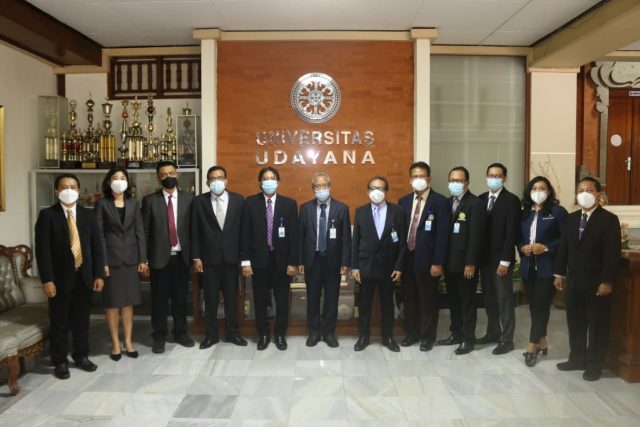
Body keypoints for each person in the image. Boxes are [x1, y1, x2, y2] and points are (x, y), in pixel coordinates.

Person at [35, 173, 105, 379]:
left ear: (78, 190)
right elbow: (42, 250)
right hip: (59, 280)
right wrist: (47, 279)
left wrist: (99, 274)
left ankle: (81, 356)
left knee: (82, 321)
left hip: (84, 277)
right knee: (59, 322)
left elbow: (97, 247)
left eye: (73, 187)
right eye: (64, 187)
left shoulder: (88, 215)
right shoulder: (48, 215)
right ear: (56, 190)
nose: (69, 190)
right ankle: (60, 361)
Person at [554, 177, 621, 381]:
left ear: (598, 194)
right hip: (574, 281)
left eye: (589, 190)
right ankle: (577, 359)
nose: (584, 193)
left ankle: (594, 365)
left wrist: (607, 281)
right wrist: (559, 273)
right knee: (575, 321)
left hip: (597, 282)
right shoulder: (572, 218)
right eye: (581, 190)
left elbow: (612, 254)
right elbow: (564, 247)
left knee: (597, 324)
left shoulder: (609, 220)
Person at [241, 166, 299, 351]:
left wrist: (293, 262)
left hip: (282, 262)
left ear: (278, 182)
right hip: (258, 261)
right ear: (260, 183)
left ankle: (280, 334)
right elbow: (245, 234)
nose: (269, 181)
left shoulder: (289, 204)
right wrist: (245, 261)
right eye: (265, 178)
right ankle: (263, 334)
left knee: (282, 301)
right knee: (260, 300)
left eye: (272, 178)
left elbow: (294, 236)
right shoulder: (250, 203)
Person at [191, 166, 247, 349]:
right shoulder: (199, 202)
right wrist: (196, 257)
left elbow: (244, 231)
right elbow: (194, 231)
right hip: (209, 260)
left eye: (220, 178)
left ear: (226, 180)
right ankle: (211, 335)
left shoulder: (238, 200)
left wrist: (244, 258)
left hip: (232, 259)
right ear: (207, 182)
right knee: (210, 298)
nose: (217, 181)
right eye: (213, 178)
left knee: (232, 298)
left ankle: (233, 333)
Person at [95, 167, 148, 361]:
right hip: (111, 260)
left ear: (127, 181)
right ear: (109, 182)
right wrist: (103, 262)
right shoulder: (102, 204)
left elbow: (140, 232)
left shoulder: (134, 203)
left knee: (127, 304)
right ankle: (116, 344)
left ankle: (128, 341)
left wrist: (142, 259)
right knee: (112, 304)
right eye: (115, 177)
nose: (119, 180)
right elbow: (99, 235)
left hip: (131, 260)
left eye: (122, 177)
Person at [141, 160, 194, 354]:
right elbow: (145, 232)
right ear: (158, 178)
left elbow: (194, 230)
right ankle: (159, 335)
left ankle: (181, 332)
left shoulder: (190, 199)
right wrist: (144, 259)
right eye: (163, 174)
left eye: (171, 173)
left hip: (182, 257)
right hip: (159, 258)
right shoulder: (149, 201)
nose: (168, 177)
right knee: (159, 300)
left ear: (177, 174)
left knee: (180, 298)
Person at [398, 162, 449, 351]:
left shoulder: (440, 201)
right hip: (408, 259)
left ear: (429, 179)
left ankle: (428, 336)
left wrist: (438, 262)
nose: (418, 179)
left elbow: (442, 235)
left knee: (428, 300)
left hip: (428, 261)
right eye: (415, 176)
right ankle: (412, 333)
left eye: (422, 176)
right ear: (410, 180)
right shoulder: (403, 201)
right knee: (409, 299)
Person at [351, 176, 406, 352]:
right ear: (367, 191)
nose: (377, 192)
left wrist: (399, 266)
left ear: (386, 191)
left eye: (381, 188)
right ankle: (363, 336)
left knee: (387, 304)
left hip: (389, 267)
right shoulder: (360, 211)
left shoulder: (397, 211)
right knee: (364, 304)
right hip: (365, 266)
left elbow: (403, 242)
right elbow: (355, 240)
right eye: (373, 188)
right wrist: (354, 266)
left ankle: (388, 336)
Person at [518, 176, 568, 367]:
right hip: (528, 267)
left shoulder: (557, 212)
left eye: (543, 188)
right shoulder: (524, 212)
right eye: (535, 188)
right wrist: (522, 247)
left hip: (548, 267)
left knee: (540, 305)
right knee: (534, 306)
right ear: (529, 191)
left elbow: (566, 240)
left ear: (549, 191)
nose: (538, 191)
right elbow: (518, 237)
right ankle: (542, 340)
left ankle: (532, 346)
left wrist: (546, 248)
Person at [298, 172, 351, 348]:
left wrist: (345, 263)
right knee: (312, 299)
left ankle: (329, 333)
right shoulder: (305, 208)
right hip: (312, 261)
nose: (321, 189)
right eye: (317, 186)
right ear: (313, 189)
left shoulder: (341, 208)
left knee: (331, 299)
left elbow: (346, 238)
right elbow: (300, 237)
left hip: (333, 262)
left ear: (330, 187)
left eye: (324, 185)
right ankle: (314, 332)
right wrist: (300, 261)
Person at [440, 166, 485, 355]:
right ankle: (456, 333)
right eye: (452, 180)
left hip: (466, 264)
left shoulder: (475, 203)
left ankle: (468, 339)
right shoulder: (447, 202)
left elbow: (476, 236)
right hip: (449, 262)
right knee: (453, 301)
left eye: (459, 180)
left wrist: (471, 263)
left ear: (467, 182)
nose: (455, 183)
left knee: (467, 302)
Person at [478, 162, 521, 355]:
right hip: (484, 259)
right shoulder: (481, 199)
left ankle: (507, 339)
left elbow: (512, 233)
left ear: (505, 178)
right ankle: (493, 332)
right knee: (489, 299)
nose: (494, 179)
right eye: (491, 175)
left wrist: (505, 261)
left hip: (501, 260)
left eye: (498, 176)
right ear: (486, 177)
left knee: (504, 301)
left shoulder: (511, 200)